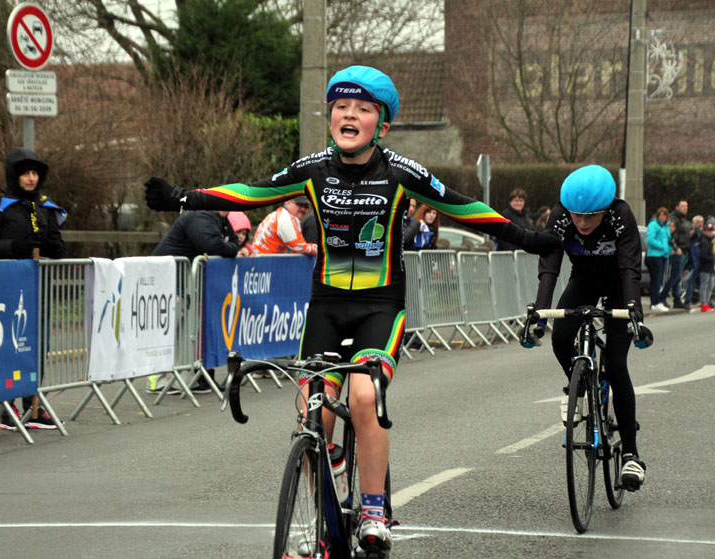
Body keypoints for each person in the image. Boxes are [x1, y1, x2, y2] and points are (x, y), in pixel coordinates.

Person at [145, 65, 561, 555]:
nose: (349, 114)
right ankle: (328, 495)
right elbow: (252, 192)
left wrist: (531, 239)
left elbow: (465, 207)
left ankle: (372, 508)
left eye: (363, 109)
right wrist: (181, 198)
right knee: (310, 416)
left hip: (380, 306)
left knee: (364, 397)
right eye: (341, 106)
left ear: (381, 126)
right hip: (326, 303)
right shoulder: (314, 169)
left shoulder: (402, 174)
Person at [523, 165, 653, 492]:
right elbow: (549, 269)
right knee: (561, 338)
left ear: (606, 209)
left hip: (620, 285)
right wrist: (539, 314)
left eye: (590, 216)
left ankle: (631, 455)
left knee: (616, 363)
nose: (581, 222)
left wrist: (634, 314)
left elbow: (629, 270)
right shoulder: (561, 217)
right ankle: (578, 386)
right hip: (583, 280)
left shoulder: (619, 216)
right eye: (576, 215)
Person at [0, 148, 67, 430]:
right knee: (10, 347)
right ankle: (7, 407)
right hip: (6, 289)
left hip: (38, 289)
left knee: (37, 346)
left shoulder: (45, 206)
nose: (30, 178)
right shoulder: (1, 205)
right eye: (25, 173)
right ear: (15, 175)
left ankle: (33, 407)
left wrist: (55, 245)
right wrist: (14, 248)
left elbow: (57, 246)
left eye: (35, 173)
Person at [151, 210, 242, 394]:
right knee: (167, 335)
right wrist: (231, 248)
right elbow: (212, 245)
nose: (228, 207)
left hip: (185, 285)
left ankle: (179, 381)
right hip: (167, 283)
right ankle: (158, 382)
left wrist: (231, 247)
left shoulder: (221, 221)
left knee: (185, 335)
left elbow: (234, 242)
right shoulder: (200, 217)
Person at [252, 196, 317, 256]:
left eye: (306, 207)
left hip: (266, 261)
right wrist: (319, 249)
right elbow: (298, 247)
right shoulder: (285, 217)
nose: (303, 209)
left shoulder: (279, 214)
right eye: (299, 205)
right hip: (266, 262)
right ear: (288, 202)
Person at [660, 199, 691, 310]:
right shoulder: (673, 218)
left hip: (684, 251)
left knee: (677, 278)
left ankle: (677, 299)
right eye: (683, 206)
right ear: (677, 207)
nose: (685, 208)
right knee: (675, 276)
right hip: (677, 251)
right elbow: (670, 235)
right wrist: (675, 248)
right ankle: (662, 296)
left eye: (686, 206)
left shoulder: (684, 219)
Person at [645, 207, 672, 312]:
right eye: (661, 214)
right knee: (656, 280)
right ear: (657, 215)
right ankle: (655, 302)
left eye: (664, 215)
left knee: (658, 280)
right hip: (655, 255)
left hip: (663, 255)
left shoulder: (665, 227)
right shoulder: (653, 225)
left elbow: (668, 239)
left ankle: (655, 301)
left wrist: (667, 250)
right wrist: (662, 246)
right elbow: (650, 239)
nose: (663, 217)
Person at [684, 215, 704, 305]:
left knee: (689, 280)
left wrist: (695, 228)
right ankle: (704, 300)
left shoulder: (699, 233)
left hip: (698, 262)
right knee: (699, 282)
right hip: (692, 262)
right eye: (698, 222)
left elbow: (697, 233)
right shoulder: (691, 235)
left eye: (701, 222)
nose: (700, 224)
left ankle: (688, 301)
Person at [698, 223, 715, 312]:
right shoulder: (703, 241)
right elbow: (703, 255)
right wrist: (712, 258)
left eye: (711, 230)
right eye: (709, 230)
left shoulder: (710, 240)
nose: (710, 232)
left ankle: (707, 302)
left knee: (711, 285)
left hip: (710, 266)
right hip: (705, 266)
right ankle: (703, 303)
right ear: (705, 231)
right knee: (705, 285)